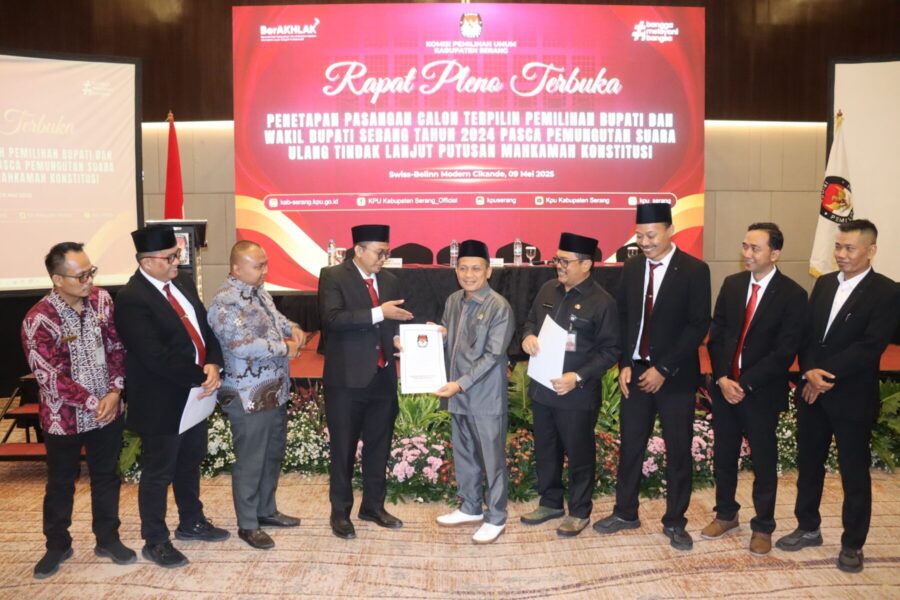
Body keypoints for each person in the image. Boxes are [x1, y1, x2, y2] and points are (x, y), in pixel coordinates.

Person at [776, 219, 899, 573]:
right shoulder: (825, 283)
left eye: (849, 248)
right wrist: (809, 371)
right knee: (809, 465)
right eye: (838, 247)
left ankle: (852, 543)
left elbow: (870, 346)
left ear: (871, 250)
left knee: (853, 473)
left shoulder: (887, 292)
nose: (841, 254)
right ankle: (808, 526)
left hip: (851, 397)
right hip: (813, 392)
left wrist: (823, 375)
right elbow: (808, 334)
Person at [594, 203, 710, 551]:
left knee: (678, 451)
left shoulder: (694, 270)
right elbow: (625, 316)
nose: (644, 242)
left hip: (674, 377)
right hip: (637, 371)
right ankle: (625, 512)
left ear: (670, 230)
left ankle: (675, 521)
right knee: (631, 446)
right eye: (639, 235)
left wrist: (664, 369)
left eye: (651, 235)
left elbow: (697, 325)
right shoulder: (632, 267)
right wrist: (625, 362)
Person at [114, 225, 227, 568]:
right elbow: (155, 356)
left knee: (190, 461)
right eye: (170, 257)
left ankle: (191, 521)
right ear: (146, 262)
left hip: (195, 394)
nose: (177, 261)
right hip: (162, 400)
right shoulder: (132, 298)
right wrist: (201, 376)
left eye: (177, 254)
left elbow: (205, 329)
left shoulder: (183, 282)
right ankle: (155, 539)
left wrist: (213, 362)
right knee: (158, 472)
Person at [20, 242, 134, 578]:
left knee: (106, 476)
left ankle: (108, 538)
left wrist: (115, 391)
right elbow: (48, 376)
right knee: (60, 482)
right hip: (63, 418)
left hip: (108, 410)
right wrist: (93, 402)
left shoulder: (102, 301)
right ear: (58, 279)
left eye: (90, 272)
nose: (89, 281)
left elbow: (117, 346)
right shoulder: (38, 319)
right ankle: (57, 544)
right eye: (80, 275)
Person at [704, 223, 807, 555]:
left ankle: (763, 526)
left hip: (760, 393)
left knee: (763, 460)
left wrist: (745, 384)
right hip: (725, 388)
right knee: (724, 455)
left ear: (774, 253)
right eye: (745, 246)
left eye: (755, 248)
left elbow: (785, 352)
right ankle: (726, 514)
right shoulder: (733, 285)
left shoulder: (792, 294)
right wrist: (722, 378)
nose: (747, 253)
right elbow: (717, 336)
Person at [519, 233, 620, 537]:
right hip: (543, 388)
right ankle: (550, 502)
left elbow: (611, 351)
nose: (558, 266)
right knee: (546, 449)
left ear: (586, 264)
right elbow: (530, 321)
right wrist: (528, 337)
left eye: (565, 261)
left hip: (576, 393)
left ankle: (579, 510)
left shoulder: (602, 302)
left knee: (579, 454)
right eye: (557, 259)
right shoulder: (548, 289)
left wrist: (576, 377)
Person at [207, 241, 306, 550]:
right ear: (236, 268)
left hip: (273, 390)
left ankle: (266, 510)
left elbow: (276, 321)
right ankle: (248, 523)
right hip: (246, 393)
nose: (265, 270)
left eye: (265, 264)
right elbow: (242, 345)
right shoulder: (225, 302)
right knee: (251, 460)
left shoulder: (259, 292)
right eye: (258, 265)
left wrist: (293, 328)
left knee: (272, 454)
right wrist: (285, 348)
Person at [318, 224, 413, 539]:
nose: (383, 258)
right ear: (358, 250)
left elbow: (390, 325)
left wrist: (397, 340)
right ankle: (340, 513)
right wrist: (378, 312)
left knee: (379, 447)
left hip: (382, 377)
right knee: (343, 450)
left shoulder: (391, 280)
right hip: (346, 381)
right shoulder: (333, 276)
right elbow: (332, 319)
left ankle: (373, 506)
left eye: (387, 252)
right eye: (379, 252)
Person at [432, 240, 514, 544]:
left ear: (488, 271)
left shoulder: (499, 307)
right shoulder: (454, 300)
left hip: (484, 396)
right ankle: (470, 507)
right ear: (456, 271)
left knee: (492, 461)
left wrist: (460, 383)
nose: (469, 275)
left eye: (476, 269)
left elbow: (493, 356)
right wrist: (422, 341)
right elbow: (446, 335)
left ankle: (497, 517)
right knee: (464, 454)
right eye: (463, 268)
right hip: (457, 394)